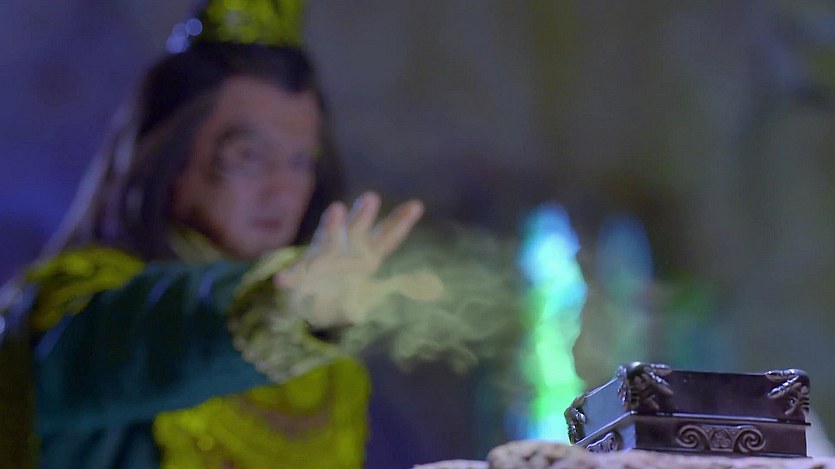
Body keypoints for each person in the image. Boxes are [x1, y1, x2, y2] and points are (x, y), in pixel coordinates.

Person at [0, 37, 442, 468]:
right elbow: (153, 330)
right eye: (250, 155)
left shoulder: (323, 357)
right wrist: (279, 303)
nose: (284, 192)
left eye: (301, 163)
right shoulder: (77, 310)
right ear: (171, 157)